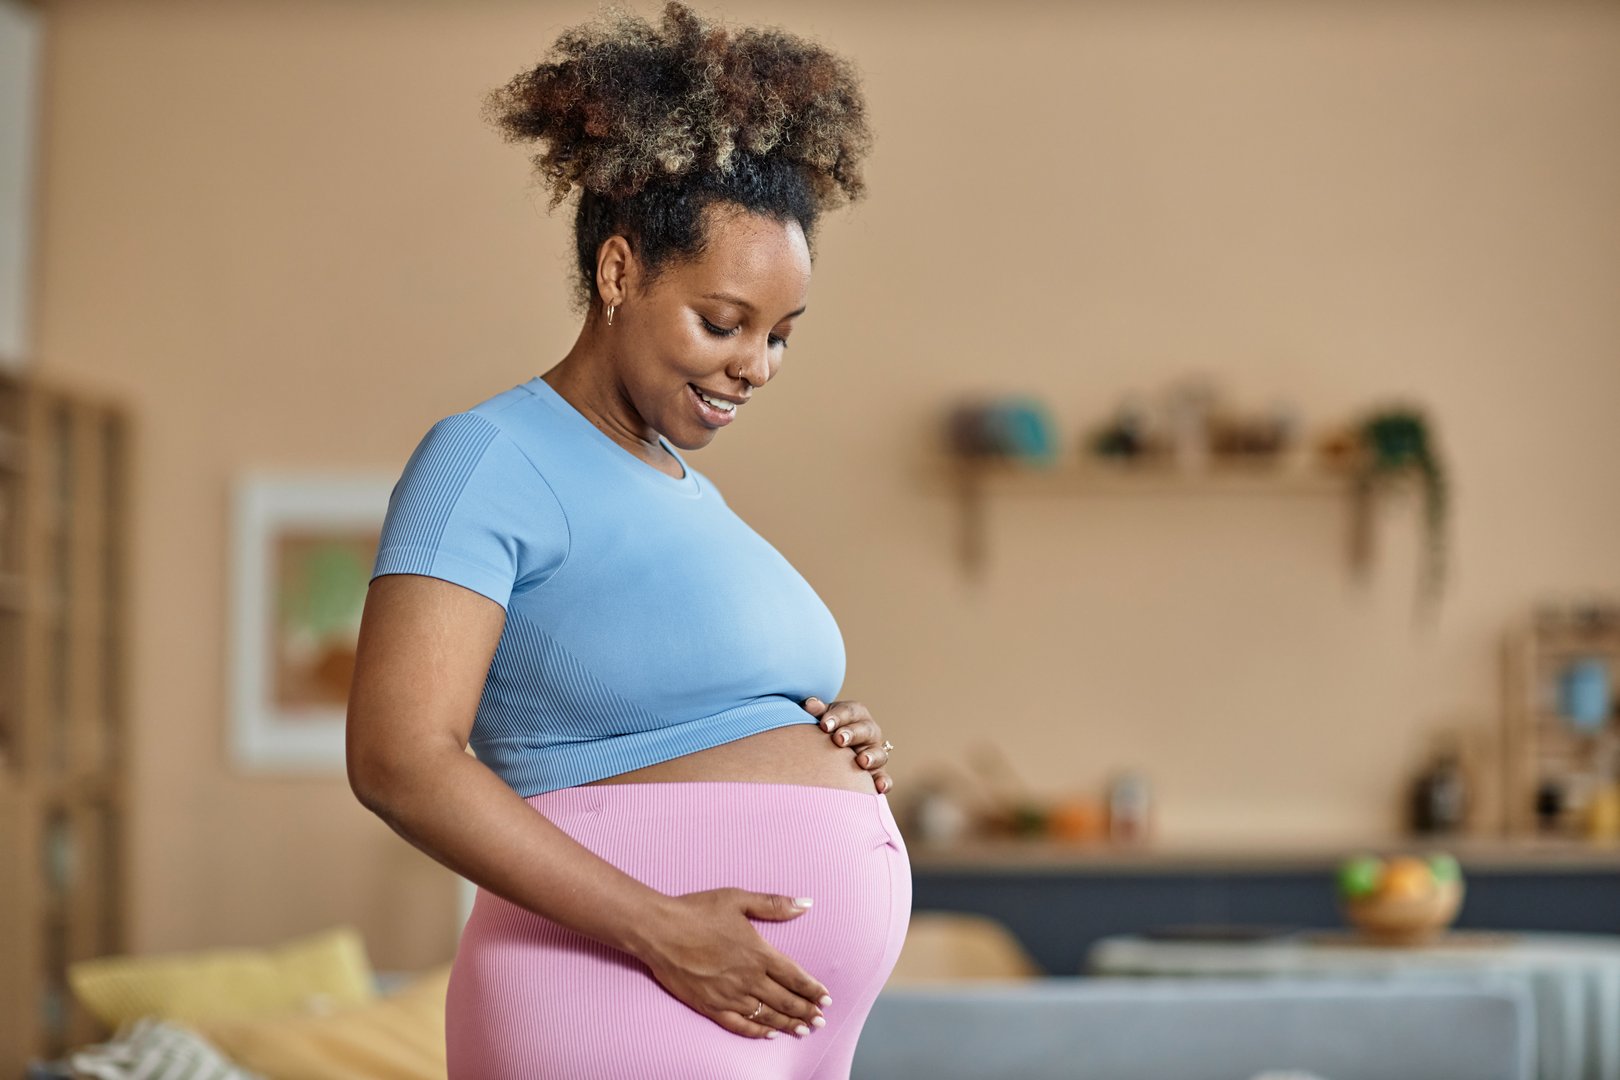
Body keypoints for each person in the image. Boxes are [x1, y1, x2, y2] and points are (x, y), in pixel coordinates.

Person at [344, 4, 909, 1077]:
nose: (757, 365)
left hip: (755, 1002)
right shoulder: (488, 458)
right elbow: (398, 760)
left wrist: (828, 735)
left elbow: (684, 717)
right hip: (625, 977)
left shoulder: (684, 488)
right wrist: (662, 928)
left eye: (782, 335)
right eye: (724, 321)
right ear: (617, 274)